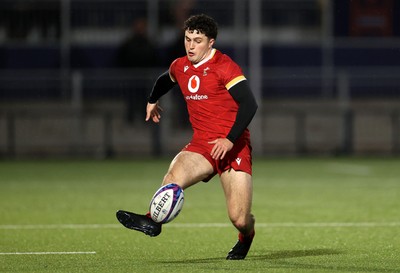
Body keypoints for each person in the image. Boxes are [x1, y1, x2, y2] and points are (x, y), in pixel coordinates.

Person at [116, 14, 258, 260]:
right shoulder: (180, 66)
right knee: (173, 178)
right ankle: (152, 220)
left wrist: (229, 139)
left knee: (239, 217)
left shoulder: (224, 66)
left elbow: (249, 104)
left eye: (198, 40)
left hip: (233, 146)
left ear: (210, 43)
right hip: (202, 145)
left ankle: (246, 236)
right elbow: (164, 80)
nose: (191, 46)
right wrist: (152, 100)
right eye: (187, 39)